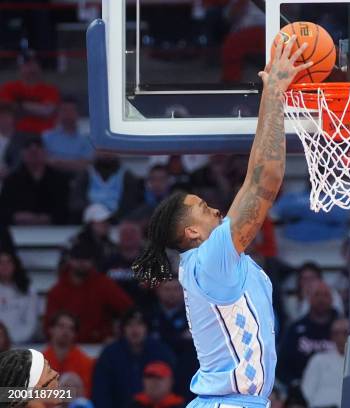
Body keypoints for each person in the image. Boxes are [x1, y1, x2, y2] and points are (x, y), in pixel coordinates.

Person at [130, 40, 312, 408]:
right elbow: (264, 179)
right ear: (190, 233)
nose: (216, 210)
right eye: (203, 207)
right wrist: (275, 92)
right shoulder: (210, 259)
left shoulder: (212, 263)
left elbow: (255, 174)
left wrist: (268, 97)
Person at [45, 242, 133, 343]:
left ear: (92, 261)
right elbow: (49, 325)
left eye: (86, 259)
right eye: (78, 258)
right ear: (70, 260)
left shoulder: (103, 284)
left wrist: (118, 335)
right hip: (69, 346)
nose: (82, 263)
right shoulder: (58, 291)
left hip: (100, 345)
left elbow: (128, 309)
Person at [92, 309, 176, 408]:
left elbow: (172, 386)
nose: (134, 329)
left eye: (139, 324)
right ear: (123, 329)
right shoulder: (109, 354)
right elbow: (101, 391)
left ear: (147, 328)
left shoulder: (161, 352)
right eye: (129, 325)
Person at [0, 135, 70, 225]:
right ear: (22, 154)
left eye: (37, 151)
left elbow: (65, 209)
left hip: (52, 230)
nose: (34, 154)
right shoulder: (11, 181)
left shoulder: (60, 180)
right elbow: (3, 210)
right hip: (18, 230)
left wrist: (46, 218)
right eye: (30, 152)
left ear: (45, 153)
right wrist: (16, 217)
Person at [278, 281, 338, 387]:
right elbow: (282, 366)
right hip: (301, 389)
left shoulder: (342, 327)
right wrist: (294, 384)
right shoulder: (295, 329)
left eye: (325, 295)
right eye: (317, 295)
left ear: (332, 299)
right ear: (309, 298)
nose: (321, 299)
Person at [70, 152, 143, 222]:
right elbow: (77, 200)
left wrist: (111, 218)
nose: (106, 153)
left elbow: (130, 203)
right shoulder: (86, 173)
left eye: (109, 150)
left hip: (117, 219)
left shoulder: (127, 175)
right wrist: (93, 214)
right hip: (91, 219)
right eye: (103, 150)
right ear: (96, 151)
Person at [0, 52, 60, 134]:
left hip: (43, 136)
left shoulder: (50, 89)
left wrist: (20, 105)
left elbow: (47, 111)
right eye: (27, 64)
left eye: (34, 64)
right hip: (16, 134)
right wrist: (36, 108)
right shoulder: (9, 88)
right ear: (20, 67)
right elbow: (5, 109)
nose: (31, 68)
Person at [102, 221, 155, 307]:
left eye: (133, 232)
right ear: (119, 237)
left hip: (145, 310)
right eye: (125, 233)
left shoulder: (153, 261)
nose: (129, 236)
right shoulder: (108, 262)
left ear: (140, 236)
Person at [42, 312, 94, 397]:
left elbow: (86, 394)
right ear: (51, 329)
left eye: (71, 328)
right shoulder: (38, 362)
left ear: (75, 334)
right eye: (61, 326)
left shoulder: (85, 362)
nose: (66, 331)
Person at [301, 318, 348, 408]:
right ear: (331, 336)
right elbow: (306, 390)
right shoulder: (318, 359)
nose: (340, 337)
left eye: (345, 333)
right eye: (336, 333)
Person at [42, 97, 94, 173]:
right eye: (64, 110)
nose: (68, 114)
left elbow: (85, 165)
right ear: (59, 113)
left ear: (78, 113)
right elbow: (43, 161)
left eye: (71, 110)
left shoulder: (87, 138)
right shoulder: (47, 136)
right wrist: (73, 163)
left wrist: (57, 162)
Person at [0, 250, 37, 344]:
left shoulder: (28, 290)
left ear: (15, 264)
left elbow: (30, 324)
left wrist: (9, 340)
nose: (5, 266)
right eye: (1, 262)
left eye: (8, 262)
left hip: (21, 344)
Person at [146, 278, 190, 354]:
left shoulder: (192, 315)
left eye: (176, 289)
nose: (171, 293)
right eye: (167, 289)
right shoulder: (148, 314)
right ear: (158, 291)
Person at [70, 203, 118, 270]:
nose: (106, 224)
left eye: (107, 221)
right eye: (102, 221)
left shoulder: (111, 246)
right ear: (90, 223)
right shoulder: (75, 244)